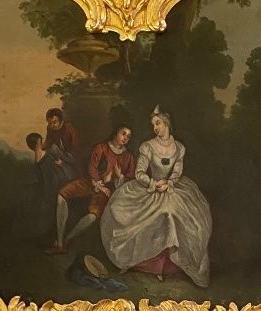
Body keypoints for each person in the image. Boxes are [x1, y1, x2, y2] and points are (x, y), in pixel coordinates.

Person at [100, 106, 212, 286]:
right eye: (153, 125)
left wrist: (169, 183)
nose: (155, 128)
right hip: (151, 188)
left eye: (158, 123)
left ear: (166, 123)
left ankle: (167, 266)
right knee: (119, 208)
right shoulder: (148, 146)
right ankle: (148, 265)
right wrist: (153, 183)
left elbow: (177, 172)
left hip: (172, 189)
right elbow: (139, 173)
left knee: (172, 213)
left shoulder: (179, 148)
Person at [51, 125, 136, 253]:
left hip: (106, 192)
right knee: (61, 194)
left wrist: (120, 177)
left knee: (93, 216)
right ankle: (59, 241)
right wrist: (98, 183)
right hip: (90, 182)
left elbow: (131, 179)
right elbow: (92, 166)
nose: (125, 138)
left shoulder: (128, 157)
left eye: (128, 137)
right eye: (123, 134)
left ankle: (67, 239)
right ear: (116, 133)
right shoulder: (102, 148)